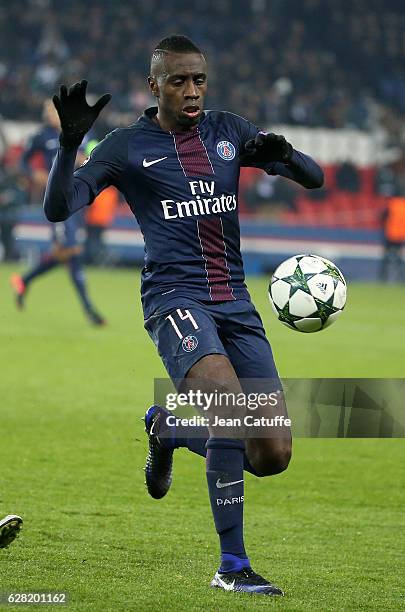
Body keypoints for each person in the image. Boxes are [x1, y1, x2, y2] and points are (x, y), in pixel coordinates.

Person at [43, 35, 324, 596]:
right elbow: (59, 207)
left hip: (236, 305)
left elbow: (313, 178)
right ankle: (233, 567)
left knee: (272, 454)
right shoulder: (126, 146)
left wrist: (284, 153)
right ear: (154, 85)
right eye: (178, 80)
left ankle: (169, 428)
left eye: (198, 79)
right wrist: (70, 142)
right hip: (174, 300)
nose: (191, 90)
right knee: (228, 410)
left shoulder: (228, 131)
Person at [10, 100, 105, 326]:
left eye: (52, 110)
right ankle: (90, 310)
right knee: (71, 250)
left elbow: (96, 148)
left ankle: (24, 280)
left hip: (77, 196)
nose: (49, 115)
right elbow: (23, 161)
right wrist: (35, 174)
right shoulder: (42, 136)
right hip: (57, 200)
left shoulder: (82, 129)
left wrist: (87, 158)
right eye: (47, 111)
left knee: (67, 251)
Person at [379, 195, 405, 282]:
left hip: (390, 235)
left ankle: (383, 278)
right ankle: (400, 278)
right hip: (400, 236)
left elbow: (383, 217)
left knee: (386, 258)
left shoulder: (392, 204)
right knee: (399, 259)